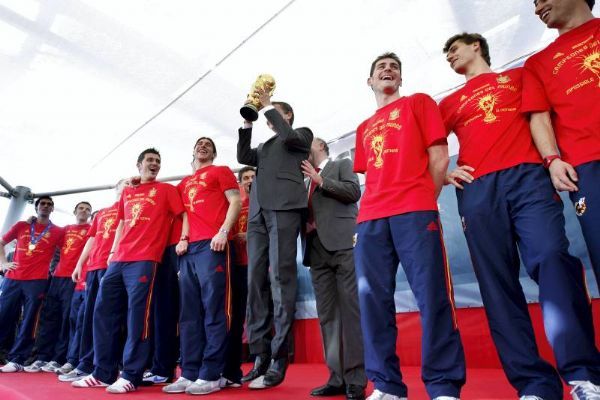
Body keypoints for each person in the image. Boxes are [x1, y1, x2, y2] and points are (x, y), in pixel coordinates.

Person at [440, 32, 600, 400]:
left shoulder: (518, 76)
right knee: (497, 286)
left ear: (476, 46)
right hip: (478, 191)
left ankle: (583, 375)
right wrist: (445, 173)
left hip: (528, 177)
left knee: (552, 258)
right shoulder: (447, 102)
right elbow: (426, 145)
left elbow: (540, 117)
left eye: (454, 48)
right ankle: (534, 385)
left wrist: (550, 159)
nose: (449, 56)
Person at [353, 52, 466, 400]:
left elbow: (439, 156)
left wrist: (423, 200)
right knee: (372, 302)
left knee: (432, 295)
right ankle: (386, 385)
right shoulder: (363, 128)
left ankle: (443, 386)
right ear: (370, 81)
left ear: (400, 79)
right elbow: (371, 174)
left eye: (394, 68)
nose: (388, 70)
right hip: (371, 217)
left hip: (414, 211)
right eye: (381, 68)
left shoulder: (419, 103)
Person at [72, 148, 186, 393]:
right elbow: (122, 224)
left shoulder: (166, 190)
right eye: (150, 160)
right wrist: (113, 253)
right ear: (138, 165)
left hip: (146, 259)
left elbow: (182, 214)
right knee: (103, 313)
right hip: (118, 260)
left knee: (138, 317)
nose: (154, 164)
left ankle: (132, 374)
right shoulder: (128, 192)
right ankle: (102, 373)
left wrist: (184, 239)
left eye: (158, 161)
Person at [522, 0, 600, 297]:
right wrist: (552, 159)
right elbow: (538, 117)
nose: (537, 8)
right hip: (588, 167)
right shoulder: (537, 63)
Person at [237, 94, 313, 388]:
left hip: (284, 207)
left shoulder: (300, 135)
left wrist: (267, 104)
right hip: (257, 214)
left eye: (276, 113)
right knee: (255, 282)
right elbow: (244, 157)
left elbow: (291, 137)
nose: (269, 117)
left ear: (288, 115)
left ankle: (280, 357)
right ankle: (260, 354)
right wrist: (248, 120)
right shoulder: (265, 146)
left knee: (281, 278)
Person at [163, 137, 241, 395]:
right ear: (193, 151)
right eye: (199, 143)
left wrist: (223, 232)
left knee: (214, 309)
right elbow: (184, 214)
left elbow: (235, 201)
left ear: (214, 152)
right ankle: (189, 371)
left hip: (214, 245)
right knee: (188, 314)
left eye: (208, 144)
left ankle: (212, 373)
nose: (203, 146)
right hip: (189, 250)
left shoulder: (221, 171)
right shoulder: (183, 183)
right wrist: (183, 238)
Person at [301, 137, 366, 400]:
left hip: (343, 245)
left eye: (309, 142)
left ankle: (355, 379)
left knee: (350, 312)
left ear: (320, 146)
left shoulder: (341, 164)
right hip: (316, 252)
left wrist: (320, 181)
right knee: (328, 317)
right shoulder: (303, 182)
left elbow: (353, 192)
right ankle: (336, 377)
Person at [58, 180, 125, 381]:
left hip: (115, 266)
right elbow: (92, 238)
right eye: (125, 183)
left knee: (108, 319)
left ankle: (107, 365)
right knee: (89, 317)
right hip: (93, 268)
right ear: (117, 188)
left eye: (132, 183)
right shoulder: (103, 212)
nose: (129, 186)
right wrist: (80, 264)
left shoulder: (133, 208)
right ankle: (85, 364)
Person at [25, 201, 92, 373]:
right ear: (74, 211)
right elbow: (48, 232)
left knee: (66, 320)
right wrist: (33, 221)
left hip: (74, 279)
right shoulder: (65, 229)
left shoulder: (92, 229)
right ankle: (42, 357)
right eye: (81, 208)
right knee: (49, 317)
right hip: (56, 278)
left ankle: (58, 358)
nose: (84, 211)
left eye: (87, 209)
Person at [0, 196, 64, 373]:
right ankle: (2, 353)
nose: (45, 206)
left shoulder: (58, 231)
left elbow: (71, 246)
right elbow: (1, 242)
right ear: (36, 208)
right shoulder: (22, 225)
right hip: (12, 278)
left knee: (29, 320)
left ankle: (18, 358)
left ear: (52, 209)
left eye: (49, 204)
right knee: (4, 314)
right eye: (42, 203)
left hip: (37, 281)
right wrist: (3, 263)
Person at [221, 166, 255, 387]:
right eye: (245, 178)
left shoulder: (267, 201)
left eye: (253, 177)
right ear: (240, 182)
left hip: (261, 267)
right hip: (237, 266)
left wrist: (251, 235)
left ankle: (265, 363)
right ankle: (232, 368)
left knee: (262, 316)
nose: (250, 181)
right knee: (235, 318)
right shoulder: (234, 202)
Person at [141, 214, 183, 386]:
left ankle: (191, 369)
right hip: (157, 251)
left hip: (183, 247)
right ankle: (162, 369)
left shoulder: (171, 193)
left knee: (189, 312)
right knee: (161, 313)